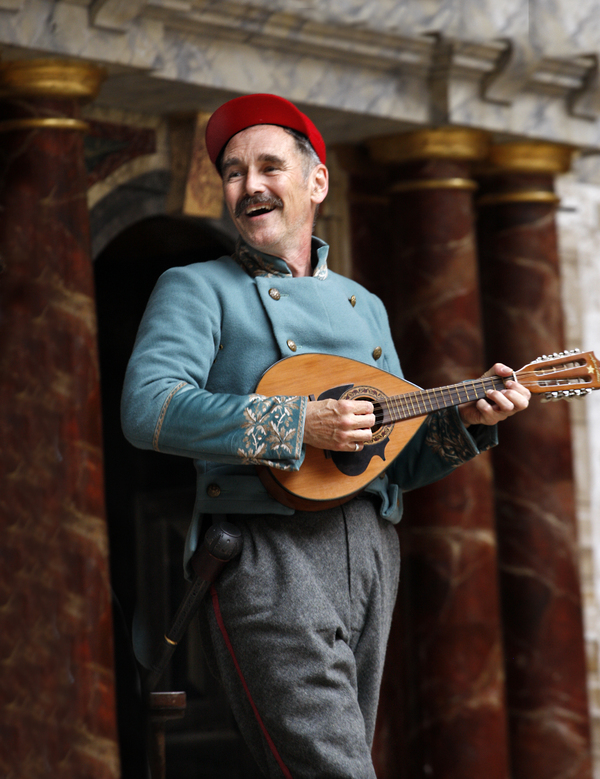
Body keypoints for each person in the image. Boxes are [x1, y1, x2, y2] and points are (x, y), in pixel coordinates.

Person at [121, 93, 530, 778]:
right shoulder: (194, 287)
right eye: (232, 171)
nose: (249, 185)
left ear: (317, 182)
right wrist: (297, 422)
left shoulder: (364, 305)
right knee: (333, 767)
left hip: (371, 553)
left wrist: (466, 422)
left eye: (269, 166)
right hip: (265, 549)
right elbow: (148, 408)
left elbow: (390, 463)